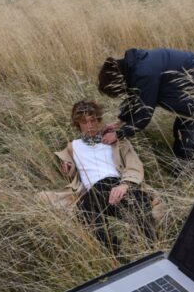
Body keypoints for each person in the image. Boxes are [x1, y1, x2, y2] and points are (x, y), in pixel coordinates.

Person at [49, 100, 156, 258]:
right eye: (84, 122)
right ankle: (117, 258)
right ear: (77, 124)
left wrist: (124, 185)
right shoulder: (73, 146)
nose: (90, 125)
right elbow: (69, 169)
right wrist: (67, 167)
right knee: (86, 214)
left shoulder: (116, 140)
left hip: (117, 184)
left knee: (142, 206)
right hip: (93, 191)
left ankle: (149, 253)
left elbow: (134, 164)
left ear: (99, 120)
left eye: (93, 120)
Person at [97, 48, 194, 169]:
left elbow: (144, 113)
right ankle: (187, 167)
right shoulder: (134, 66)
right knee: (182, 130)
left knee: (189, 138)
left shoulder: (144, 73)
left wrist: (118, 134)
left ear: (119, 82)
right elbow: (137, 98)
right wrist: (119, 122)